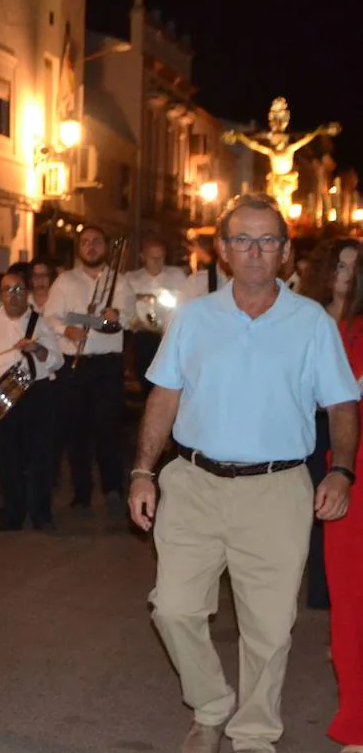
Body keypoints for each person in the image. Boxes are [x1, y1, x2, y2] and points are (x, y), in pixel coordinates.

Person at [128, 193, 359, 753]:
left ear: (284, 252)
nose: (255, 252)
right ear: (224, 250)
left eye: (267, 241)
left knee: (270, 629)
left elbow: (343, 405)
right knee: (174, 608)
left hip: (278, 489)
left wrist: (343, 471)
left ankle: (254, 735)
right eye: (243, 240)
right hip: (194, 482)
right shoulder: (195, 317)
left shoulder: (311, 323)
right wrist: (142, 470)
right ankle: (210, 705)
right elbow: (163, 396)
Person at [43, 225, 135, 513]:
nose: (91, 246)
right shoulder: (65, 281)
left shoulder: (119, 282)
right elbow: (49, 318)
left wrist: (116, 315)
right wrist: (66, 330)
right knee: (76, 431)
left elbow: (130, 318)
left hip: (107, 364)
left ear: (105, 246)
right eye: (85, 242)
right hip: (75, 364)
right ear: (78, 248)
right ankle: (81, 491)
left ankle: (113, 489)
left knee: (108, 429)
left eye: (96, 241)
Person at [0, 265, 64, 531]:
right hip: (4, 398)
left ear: (26, 292)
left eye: (18, 289)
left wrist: (38, 349)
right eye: (7, 290)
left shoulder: (40, 322)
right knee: (7, 458)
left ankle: (41, 514)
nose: (13, 295)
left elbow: (57, 361)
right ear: (0, 294)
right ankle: (12, 513)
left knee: (41, 457)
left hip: (37, 395)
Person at [303, 239, 361, 611]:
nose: (347, 275)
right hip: (313, 424)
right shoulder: (311, 317)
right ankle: (325, 595)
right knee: (313, 508)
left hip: (353, 424)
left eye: (355, 267)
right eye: (341, 266)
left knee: (346, 515)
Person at [325, 245, 363, 751]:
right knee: (351, 600)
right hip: (348, 469)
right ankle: (357, 721)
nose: (348, 275)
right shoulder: (322, 327)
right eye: (340, 265)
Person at [125, 235, 188, 396]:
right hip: (143, 337)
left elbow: (186, 303)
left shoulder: (177, 276)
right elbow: (125, 307)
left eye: (160, 257)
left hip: (170, 337)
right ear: (142, 257)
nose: (157, 261)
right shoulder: (131, 279)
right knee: (146, 380)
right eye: (152, 257)